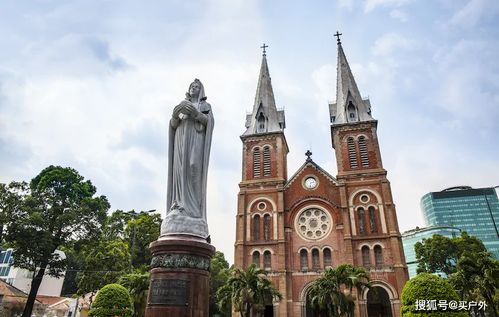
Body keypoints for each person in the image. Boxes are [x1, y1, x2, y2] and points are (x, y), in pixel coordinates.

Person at [161, 79, 214, 239]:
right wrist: (175, 114)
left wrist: (196, 114)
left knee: (193, 168)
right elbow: (173, 124)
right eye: (192, 86)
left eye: (197, 86)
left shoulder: (205, 106)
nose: (194, 88)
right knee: (179, 172)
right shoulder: (182, 104)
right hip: (180, 142)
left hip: (195, 140)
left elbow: (209, 123)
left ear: (201, 90)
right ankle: (178, 205)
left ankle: (193, 210)